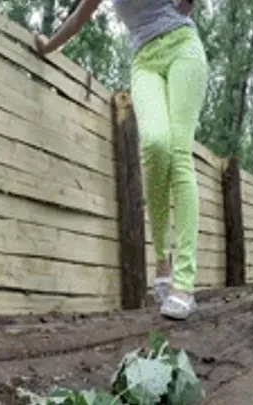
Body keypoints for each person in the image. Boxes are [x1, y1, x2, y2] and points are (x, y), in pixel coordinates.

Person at [34, 0, 209, 320]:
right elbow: (77, 21)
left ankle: (183, 283)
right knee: (156, 147)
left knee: (180, 154)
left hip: (184, 47)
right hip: (145, 60)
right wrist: (48, 48)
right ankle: (161, 260)